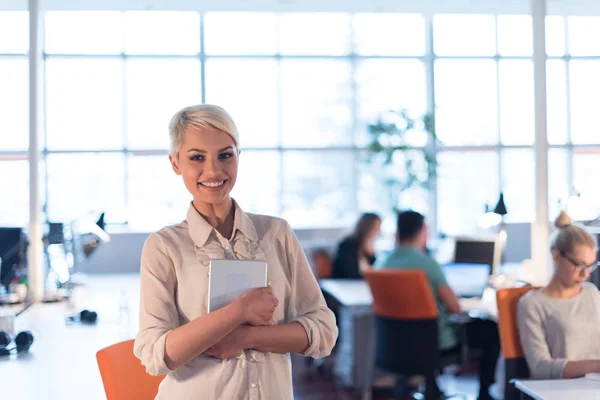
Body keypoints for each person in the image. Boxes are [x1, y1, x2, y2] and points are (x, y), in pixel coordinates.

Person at [133, 104, 338, 399]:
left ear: (238, 157)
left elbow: (323, 331)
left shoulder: (277, 234)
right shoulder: (164, 247)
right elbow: (157, 355)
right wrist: (238, 312)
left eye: (225, 155)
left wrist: (246, 337)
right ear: (176, 163)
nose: (214, 170)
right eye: (197, 158)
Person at [376, 210, 499, 400]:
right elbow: (454, 307)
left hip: (397, 345)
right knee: (492, 329)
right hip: (433, 345)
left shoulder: (383, 264)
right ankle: (484, 394)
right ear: (421, 231)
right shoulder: (428, 265)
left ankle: (433, 387)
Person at [517, 211, 600, 380]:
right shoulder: (532, 304)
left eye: (590, 265)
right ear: (556, 256)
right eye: (579, 265)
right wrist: (597, 366)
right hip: (561, 389)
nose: (586, 274)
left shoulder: (591, 293)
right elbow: (540, 367)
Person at [332, 213, 381, 279]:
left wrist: (371, 254)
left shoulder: (368, 247)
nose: (378, 231)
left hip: (359, 285)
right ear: (367, 227)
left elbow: (373, 271)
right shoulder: (347, 245)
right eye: (375, 228)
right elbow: (350, 272)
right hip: (345, 283)